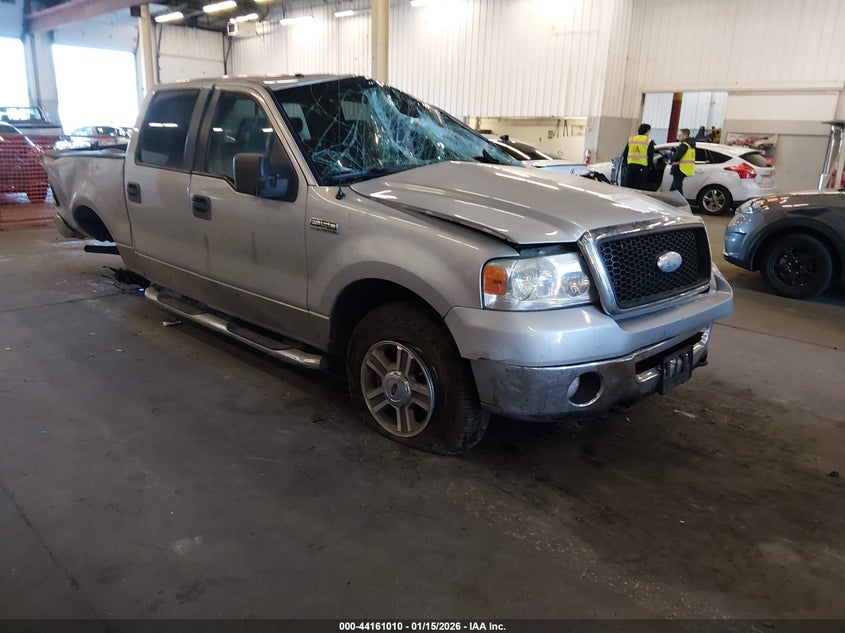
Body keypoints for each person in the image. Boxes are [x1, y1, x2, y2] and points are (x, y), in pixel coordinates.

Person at [620, 123, 654, 190]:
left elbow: (625, 154)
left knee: (628, 187)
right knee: (638, 188)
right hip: (642, 167)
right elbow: (650, 156)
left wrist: (627, 164)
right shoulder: (649, 141)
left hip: (630, 166)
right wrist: (649, 167)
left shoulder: (631, 139)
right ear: (647, 131)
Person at [669, 128, 695, 197]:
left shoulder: (684, 145)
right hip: (685, 168)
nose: (678, 137)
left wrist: (669, 155)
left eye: (679, 135)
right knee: (673, 189)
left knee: (677, 190)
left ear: (685, 135)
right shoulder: (691, 145)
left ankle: (682, 205)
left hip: (680, 169)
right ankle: (669, 203)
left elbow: (676, 158)